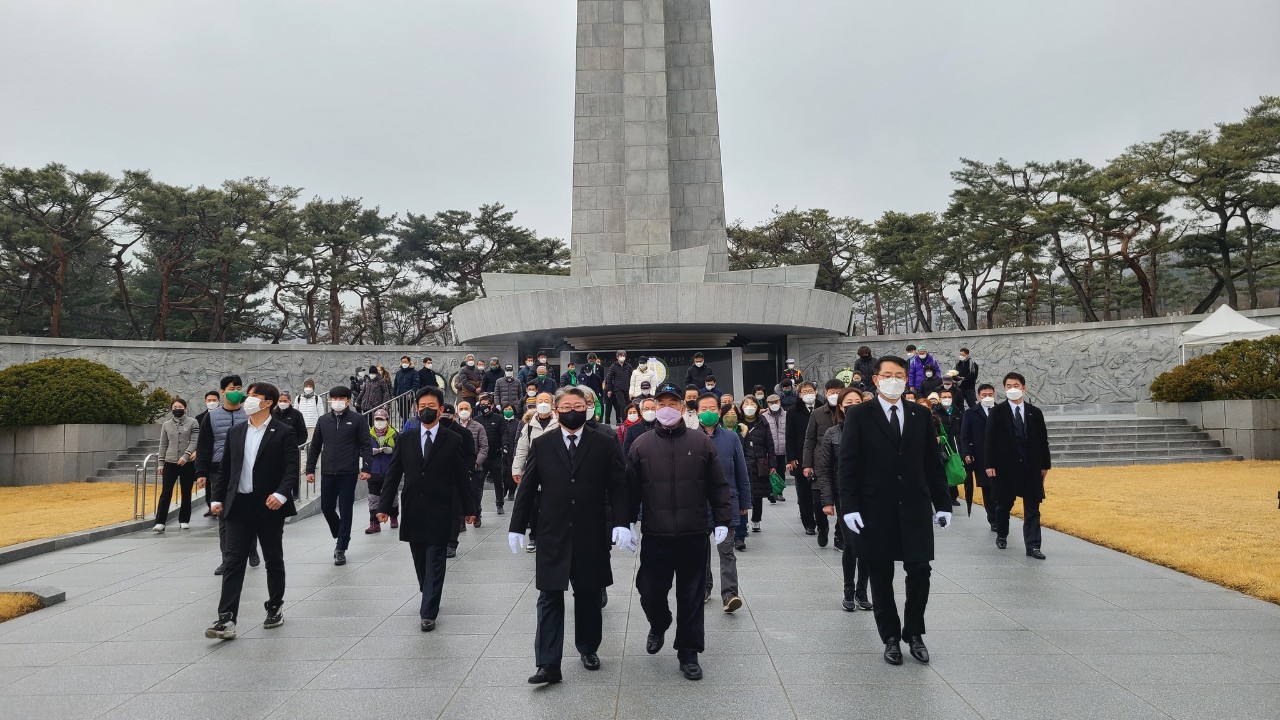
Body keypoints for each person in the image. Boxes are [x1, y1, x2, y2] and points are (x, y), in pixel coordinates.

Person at [507, 387, 631, 684]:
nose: (572, 411)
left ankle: (588, 648)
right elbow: (528, 487)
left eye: (578, 406)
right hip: (553, 532)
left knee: (588, 594)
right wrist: (517, 526)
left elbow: (618, 485)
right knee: (549, 596)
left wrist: (622, 522)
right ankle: (548, 663)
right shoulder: (543, 443)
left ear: (587, 408)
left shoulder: (604, 442)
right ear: (556, 410)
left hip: (591, 531)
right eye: (566, 406)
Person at [838, 356, 952, 666]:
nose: (894, 380)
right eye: (887, 375)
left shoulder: (920, 414)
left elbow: (932, 463)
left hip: (914, 506)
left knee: (920, 570)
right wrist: (849, 507)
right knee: (880, 574)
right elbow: (848, 464)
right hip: (875, 508)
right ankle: (890, 636)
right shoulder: (859, 414)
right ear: (876, 380)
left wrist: (942, 504)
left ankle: (914, 632)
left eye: (899, 375)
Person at [627, 383, 732, 681]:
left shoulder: (701, 443)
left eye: (673, 403)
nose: (667, 409)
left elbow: (718, 485)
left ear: (683, 408)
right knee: (649, 591)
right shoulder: (641, 445)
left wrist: (723, 521)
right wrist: (625, 522)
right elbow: (629, 489)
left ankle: (688, 652)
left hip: (693, 534)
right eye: (661, 404)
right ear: (653, 407)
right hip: (656, 535)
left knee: (691, 596)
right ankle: (659, 622)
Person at [204, 382, 298, 641]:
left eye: (255, 396)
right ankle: (226, 618)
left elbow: (291, 468)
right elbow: (225, 469)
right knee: (233, 561)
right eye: (249, 395)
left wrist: (281, 494)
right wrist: (216, 498)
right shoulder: (236, 432)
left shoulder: (284, 432)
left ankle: (275, 606)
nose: (248, 399)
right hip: (238, 506)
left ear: (268, 402)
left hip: (268, 505)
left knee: (273, 558)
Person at [377, 387, 476, 631]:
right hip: (413, 508)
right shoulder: (405, 439)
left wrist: (469, 507)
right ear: (416, 409)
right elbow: (393, 475)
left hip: (441, 508)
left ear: (441, 410)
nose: (426, 410)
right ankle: (427, 591)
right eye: (422, 406)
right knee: (420, 560)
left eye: (431, 406)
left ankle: (429, 611)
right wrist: (384, 506)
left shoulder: (453, 439)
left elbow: (462, 476)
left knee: (436, 560)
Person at [984, 373, 1052, 560]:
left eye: (1016, 385)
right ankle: (1002, 534)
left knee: (1033, 508)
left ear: (1023, 388)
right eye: (1008, 386)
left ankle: (1033, 546)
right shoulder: (997, 412)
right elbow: (989, 440)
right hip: (1005, 467)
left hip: (1030, 467)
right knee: (1003, 505)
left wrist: (1045, 465)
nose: (1012, 389)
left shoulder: (1034, 412)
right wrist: (989, 464)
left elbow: (1043, 441)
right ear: (1004, 389)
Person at [816, 387, 872, 612]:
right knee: (851, 544)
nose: (853, 406)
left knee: (867, 544)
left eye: (858, 402)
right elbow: (825, 470)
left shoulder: (873, 431)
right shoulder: (832, 433)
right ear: (840, 406)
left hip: (870, 496)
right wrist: (827, 501)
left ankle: (862, 591)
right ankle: (848, 590)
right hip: (845, 496)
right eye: (849, 402)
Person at [305, 386, 373, 566]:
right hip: (328, 472)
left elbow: (366, 445)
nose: (337, 402)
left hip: (348, 472)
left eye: (341, 398)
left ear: (348, 400)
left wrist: (366, 468)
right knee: (326, 507)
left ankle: (341, 547)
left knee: (345, 509)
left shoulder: (357, 419)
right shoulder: (323, 420)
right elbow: (315, 446)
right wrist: (310, 469)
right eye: (334, 398)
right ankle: (340, 532)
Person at [195, 374, 257, 573]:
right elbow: (204, 445)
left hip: (246, 469)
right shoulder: (211, 417)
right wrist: (201, 472)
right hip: (219, 470)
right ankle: (227, 558)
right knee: (223, 515)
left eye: (238, 388)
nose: (235, 392)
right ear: (222, 392)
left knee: (249, 512)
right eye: (231, 389)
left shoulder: (249, 414)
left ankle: (251, 548)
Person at [696, 395, 748, 611]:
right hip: (698, 504)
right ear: (697, 412)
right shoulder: (690, 438)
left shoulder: (732, 438)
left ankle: (730, 594)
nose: (708, 412)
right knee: (701, 551)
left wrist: (745, 501)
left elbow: (741, 471)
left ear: (719, 411)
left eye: (712, 408)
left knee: (726, 550)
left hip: (727, 502)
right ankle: (704, 588)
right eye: (703, 408)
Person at [512, 392, 560, 553]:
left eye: (546, 400)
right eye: (540, 401)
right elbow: (522, 449)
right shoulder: (529, 425)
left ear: (552, 404)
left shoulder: (559, 422)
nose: (543, 403)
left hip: (556, 470)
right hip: (535, 470)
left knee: (554, 505)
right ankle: (533, 537)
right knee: (533, 505)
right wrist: (517, 469)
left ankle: (553, 537)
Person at [801, 379, 845, 547]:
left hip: (841, 463)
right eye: (832, 392)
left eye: (838, 392)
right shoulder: (817, 413)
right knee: (819, 501)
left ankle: (839, 534)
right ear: (825, 393)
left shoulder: (848, 412)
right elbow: (809, 440)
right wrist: (807, 464)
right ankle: (822, 528)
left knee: (842, 502)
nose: (835, 395)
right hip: (821, 463)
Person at [154, 398, 199, 532]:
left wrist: (186, 456)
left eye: (180, 407)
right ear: (171, 409)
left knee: (186, 492)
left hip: (187, 463)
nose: (177, 409)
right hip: (170, 462)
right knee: (166, 492)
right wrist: (161, 463)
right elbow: (163, 444)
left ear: (185, 408)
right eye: (175, 407)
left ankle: (184, 520)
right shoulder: (166, 425)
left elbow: (195, 441)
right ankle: (160, 522)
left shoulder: (193, 422)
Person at [961, 384, 998, 530]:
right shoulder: (971, 413)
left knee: (1001, 487)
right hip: (980, 455)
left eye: (990, 394)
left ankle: (1002, 514)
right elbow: (965, 435)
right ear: (978, 396)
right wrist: (966, 453)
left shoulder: (1001, 410)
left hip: (1000, 455)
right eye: (984, 395)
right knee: (987, 488)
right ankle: (993, 519)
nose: (987, 397)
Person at [786, 381, 819, 536]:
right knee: (804, 493)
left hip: (821, 455)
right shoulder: (793, 411)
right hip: (800, 456)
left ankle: (821, 520)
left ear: (816, 392)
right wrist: (791, 458)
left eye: (810, 391)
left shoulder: (823, 407)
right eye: (804, 392)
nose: (808, 394)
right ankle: (809, 523)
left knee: (819, 492)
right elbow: (789, 436)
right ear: (799, 395)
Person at [737, 395, 774, 534]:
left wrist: (772, 464)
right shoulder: (738, 422)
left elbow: (770, 443)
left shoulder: (762, 421)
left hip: (760, 462)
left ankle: (756, 519)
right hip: (743, 461)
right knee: (744, 492)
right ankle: (743, 522)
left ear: (757, 407)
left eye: (752, 404)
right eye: (746, 404)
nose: (749, 407)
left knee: (758, 494)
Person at [454, 400, 491, 529]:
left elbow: (484, 447)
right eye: (461, 409)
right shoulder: (453, 426)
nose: (464, 411)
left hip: (475, 468)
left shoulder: (478, 427)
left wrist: (475, 463)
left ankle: (476, 513)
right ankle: (461, 520)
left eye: (466, 408)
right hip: (458, 467)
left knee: (475, 493)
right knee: (458, 494)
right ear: (457, 411)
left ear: (471, 410)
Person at [365, 408, 398, 534]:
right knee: (373, 499)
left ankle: (394, 517)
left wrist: (392, 450)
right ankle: (374, 523)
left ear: (387, 420)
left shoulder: (394, 434)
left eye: (382, 419)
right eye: (377, 419)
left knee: (392, 496)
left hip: (389, 470)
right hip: (373, 471)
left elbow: (400, 450)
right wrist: (370, 452)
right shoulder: (368, 434)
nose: (379, 422)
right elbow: (361, 449)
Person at [474, 393, 507, 516]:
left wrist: (505, 446)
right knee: (479, 484)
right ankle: (477, 507)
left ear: (492, 405)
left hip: (495, 455)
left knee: (498, 482)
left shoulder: (499, 418)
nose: (484, 407)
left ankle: (500, 504)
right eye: (481, 404)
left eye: (486, 404)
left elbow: (504, 433)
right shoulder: (476, 420)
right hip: (481, 457)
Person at [935, 388, 964, 507]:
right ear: (939, 399)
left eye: (949, 397)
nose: (947, 399)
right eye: (944, 397)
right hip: (941, 445)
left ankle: (953, 496)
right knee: (942, 470)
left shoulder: (958, 413)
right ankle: (941, 496)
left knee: (953, 468)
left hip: (955, 444)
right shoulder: (935, 413)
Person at [761, 393, 787, 503]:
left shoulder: (786, 414)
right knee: (770, 471)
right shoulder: (764, 416)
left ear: (780, 402)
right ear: (768, 404)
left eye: (776, 402)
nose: (774, 404)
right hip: (770, 450)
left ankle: (779, 492)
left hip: (782, 449)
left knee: (781, 471)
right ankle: (771, 492)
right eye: (771, 403)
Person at [603, 350, 633, 425]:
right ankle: (624, 421)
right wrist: (609, 390)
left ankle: (630, 420)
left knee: (629, 405)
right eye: (621, 355)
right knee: (622, 405)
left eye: (624, 356)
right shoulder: (613, 366)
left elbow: (632, 377)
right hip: (618, 389)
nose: (622, 357)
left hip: (627, 389)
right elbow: (609, 378)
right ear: (617, 357)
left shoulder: (628, 366)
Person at [578, 353, 606, 419]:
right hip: (586, 390)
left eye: (593, 361)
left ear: (595, 360)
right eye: (590, 361)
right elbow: (581, 378)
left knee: (600, 405)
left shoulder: (600, 368)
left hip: (596, 389)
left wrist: (601, 393)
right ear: (588, 360)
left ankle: (599, 418)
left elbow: (601, 379)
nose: (591, 362)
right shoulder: (584, 367)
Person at [394, 356, 422, 420]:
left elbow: (416, 384)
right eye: (402, 362)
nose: (404, 363)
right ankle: (405, 421)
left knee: (406, 411)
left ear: (409, 362)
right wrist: (394, 394)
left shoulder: (414, 372)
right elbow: (396, 384)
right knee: (400, 411)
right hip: (399, 395)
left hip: (408, 396)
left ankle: (405, 423)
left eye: (405, 362)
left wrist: (411, 392)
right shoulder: (398, 373)